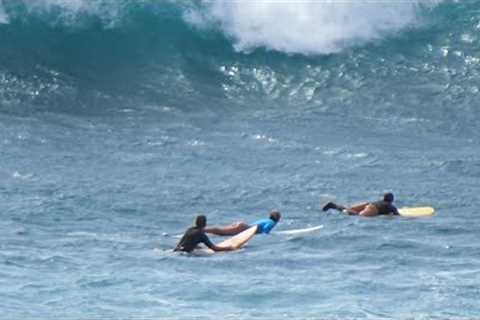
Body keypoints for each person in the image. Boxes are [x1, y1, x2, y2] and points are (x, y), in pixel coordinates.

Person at [204, 210, 281, 236]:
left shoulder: (266, 220)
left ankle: (204, 230)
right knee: (221, 232)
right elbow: (265, 231)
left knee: (221, 231)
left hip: (242, 226)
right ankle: (203, 230)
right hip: (243, 228)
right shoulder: (271, 222)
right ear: (277, 218)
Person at [322, 192, 399, 217]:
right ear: (391, 200)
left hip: (369, 204)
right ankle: (333, 206)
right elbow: (397, 215)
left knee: (350, 209)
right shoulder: (390, 206)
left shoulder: (381, 201)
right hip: (373, 209)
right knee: (358, 216)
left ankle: (335, 206)